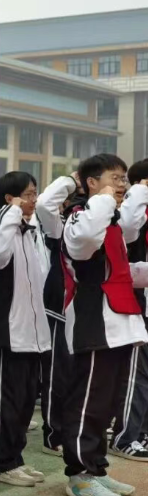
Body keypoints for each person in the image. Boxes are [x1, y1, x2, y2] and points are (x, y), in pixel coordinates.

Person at [61, 154, 147, 496]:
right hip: (93, 322)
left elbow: (122, 256)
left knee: (108, 403)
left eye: (124, 179)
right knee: (88, 402)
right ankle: (79, 475)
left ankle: (96, 467)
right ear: (92, 183)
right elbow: (82, 245)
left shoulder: (110, 223)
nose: (121, 185)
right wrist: (103, 198)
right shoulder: (79, 216)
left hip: (120, 322)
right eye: (115, 178)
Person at [0, 172, 52, 487]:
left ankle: (15, 458)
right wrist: (12, 212)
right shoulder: (0, 226)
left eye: (35, 193)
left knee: (25, 404)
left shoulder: (30, 231)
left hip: (33, 334)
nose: (33, 200)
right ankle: (0, 464)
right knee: (8, 403)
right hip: (9, 332)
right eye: (27, 194)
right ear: (9, 198)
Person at [35, 172, 81, 458]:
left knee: (78, 375)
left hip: (85, 311)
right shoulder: (60, 228)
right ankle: (54, 434)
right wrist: (72, 180)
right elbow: (44, 204)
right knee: (57, 374)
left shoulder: (100, 229)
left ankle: (74, 430)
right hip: (58, 308)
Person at [105, 158, 148, 461]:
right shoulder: (131, 207)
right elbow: (129, 230)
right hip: (134, 303)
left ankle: (140, 433)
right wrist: (140, 190)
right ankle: (124, 437)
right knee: (136, 375)